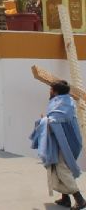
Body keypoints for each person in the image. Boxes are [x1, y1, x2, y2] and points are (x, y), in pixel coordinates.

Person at [30, 80, 85, 209]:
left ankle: (80, 199)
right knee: (57, 168)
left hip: (66, 143)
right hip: (61, 141)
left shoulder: (63, 103)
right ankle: (65, 199)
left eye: (51, 89)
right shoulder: (65, 101)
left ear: (56, 91)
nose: (49, 91)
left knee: (62, 169)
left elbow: (55, 120)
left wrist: (44, 120)